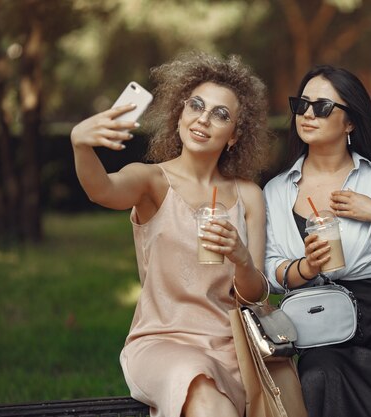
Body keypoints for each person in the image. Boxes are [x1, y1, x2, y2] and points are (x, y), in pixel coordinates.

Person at [70, 52, 271, 417]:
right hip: (163, 342)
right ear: (180, 112)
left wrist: (240, 257)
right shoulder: (151, 181)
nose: (203, 119)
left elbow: (254, 296)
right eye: (196, 105)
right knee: (207, 400)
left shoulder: (248, 196)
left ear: (235, 135)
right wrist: (80, 145)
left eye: (220, 114)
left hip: (230, 348)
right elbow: (101, 189)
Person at [263, 65, 371, 417]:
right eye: (302, 104)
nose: (308, 114)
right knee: (319, 375)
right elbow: (267, 270)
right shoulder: (277, 190)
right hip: (316, 322)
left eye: (323, 107)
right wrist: (305, 267)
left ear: (351, 122)